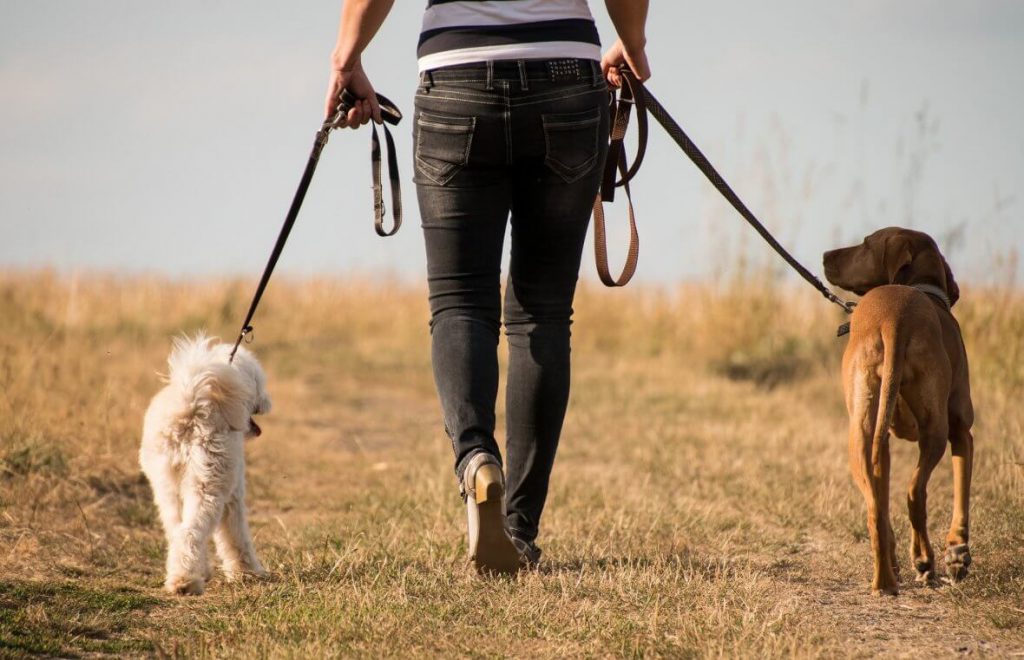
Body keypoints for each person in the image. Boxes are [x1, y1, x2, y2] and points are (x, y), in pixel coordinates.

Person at [325, 0, 651, 575]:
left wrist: (347, 56)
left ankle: (476, 458)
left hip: (457, 77)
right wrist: (634, 40)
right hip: (567, 78)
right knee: (542, 313)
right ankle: (519, 530)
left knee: (460, 303)